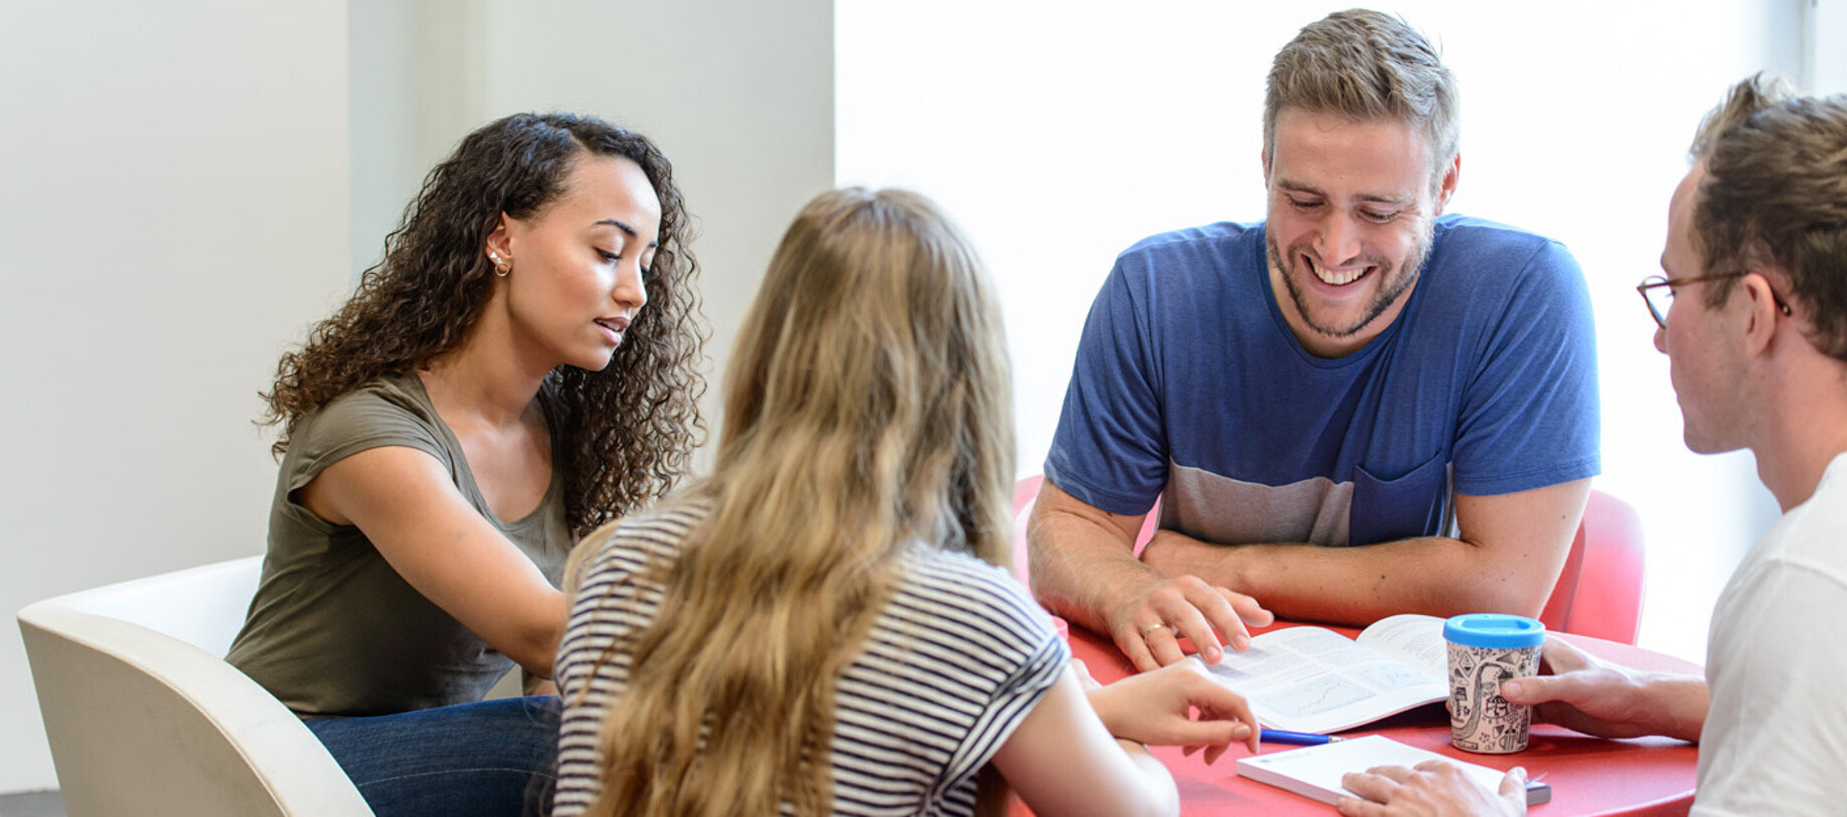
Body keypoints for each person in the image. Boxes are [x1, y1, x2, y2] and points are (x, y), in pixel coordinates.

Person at [553, 188, 1262, 817]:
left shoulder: (615, 563)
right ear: (965, 387)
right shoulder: (966, 614)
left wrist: (1076, 708)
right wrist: (1125, 742)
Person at [1340, 76, 1847, 816]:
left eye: (1674, 289)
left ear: (1754, 312)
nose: (1660, 335)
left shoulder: (1813, 579)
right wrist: (1651, 697)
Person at [1030, 8, 1600, 672]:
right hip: (1200, 701)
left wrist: (1236, 567)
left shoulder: (1520, 291)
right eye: (1303, 200)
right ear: (1266, 166)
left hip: (1412, 730)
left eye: (1377, 211)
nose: (1335, 248)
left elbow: (1502, 587)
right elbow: (1064, 531)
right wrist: (1127, 590)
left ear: (1444, 186)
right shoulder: (1155, 293)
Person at [224, 113, 706, 816]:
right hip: (278, 764)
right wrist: (757, 630)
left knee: (593, 738)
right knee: (562, 745)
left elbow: (553, 665)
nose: (635, 290)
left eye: (646, 261)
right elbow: (543, 627)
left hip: (418, 755)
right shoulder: (372, 435)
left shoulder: (559, 425)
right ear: (501, 237)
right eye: (608, 251)